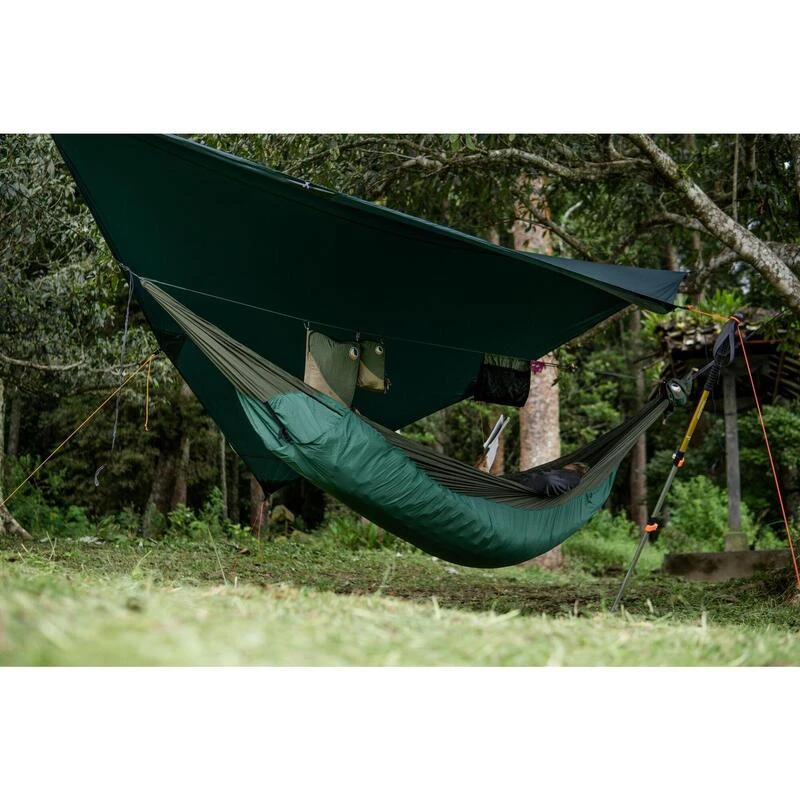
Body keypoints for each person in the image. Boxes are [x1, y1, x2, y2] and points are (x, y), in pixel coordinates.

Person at [512, 462, 588, 497]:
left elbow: (552, 482)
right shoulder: (565, 473)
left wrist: (546, 477)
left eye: (569, 464)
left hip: (531, 486)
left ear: (575, 467)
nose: (566, 464)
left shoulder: (574, 476)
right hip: (525, 483)